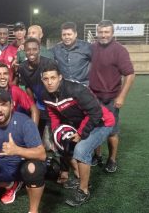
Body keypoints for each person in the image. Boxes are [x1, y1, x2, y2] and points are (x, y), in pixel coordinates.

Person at [41, 63, 115, 206]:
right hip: (82, 122)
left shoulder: (76, 89)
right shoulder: (46, 94)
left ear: (60, 78)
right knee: (63, 143)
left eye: (53, 78)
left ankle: (84, 190)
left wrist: (80, 134)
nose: (49, 82)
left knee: (81, 149)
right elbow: (53, 112)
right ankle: (79, 176)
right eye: (46, 79)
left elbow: (96, 113)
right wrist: (57, 132)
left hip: (102, 122)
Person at [0, 88, 46, 213]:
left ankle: (33, 210)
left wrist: (17, 150)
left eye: (4, 105)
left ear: (12, 105)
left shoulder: (25, 122)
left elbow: (42, 154)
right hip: (3, 163)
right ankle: (10, 184)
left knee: (33, 169)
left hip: (24, 163)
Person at [89, 20, 135, 172]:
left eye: (106, 32)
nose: (103, 35)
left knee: (112, 131)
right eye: (101, 32)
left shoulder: (119, 50)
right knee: (95, 129)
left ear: (112, 33)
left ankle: (112, 159)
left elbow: (130, 74)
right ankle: (97, 156)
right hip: (94, 97)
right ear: (97, 33)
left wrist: (122, 96)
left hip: (111, 98)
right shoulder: (93, 48)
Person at [18, 38, 56, 144]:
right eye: (28, 49)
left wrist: (52, 104)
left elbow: (56, 85)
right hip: (39, 101)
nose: (31, 52)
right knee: (38, 136)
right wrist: (32, 104)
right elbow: (27, 87)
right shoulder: (22, 67)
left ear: (39, 49)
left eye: (34, 49)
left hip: (52, 102)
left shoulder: (49, 64)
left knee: (50, 140)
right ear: (24, 51)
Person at [49, 22, 92, 86]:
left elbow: (98, 63)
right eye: (64, 35)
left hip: (83, 86)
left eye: (69, 34)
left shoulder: (86, 47)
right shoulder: (56, 49)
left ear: (75, 34)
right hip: (64, 87)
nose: (66, 37)